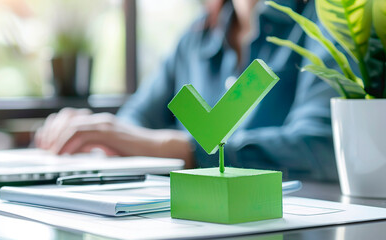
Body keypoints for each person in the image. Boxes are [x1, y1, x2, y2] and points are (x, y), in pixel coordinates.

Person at [35, 0, 339, 181]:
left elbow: (323, 147)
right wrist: (98, 134)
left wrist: (179, 149)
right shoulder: (195, 39)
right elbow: (135, 121)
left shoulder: (326, 19)